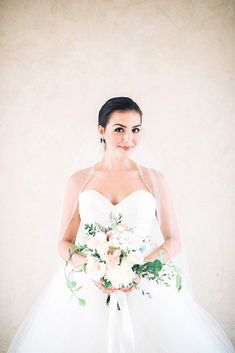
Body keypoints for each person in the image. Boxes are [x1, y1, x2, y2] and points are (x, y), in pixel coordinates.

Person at [6, 97, 235, 353]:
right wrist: (96, 270)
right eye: (119, 129)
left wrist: (137, 269)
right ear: (101, 131)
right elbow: (63, 243)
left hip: (144, 285)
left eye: (135, 130)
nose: (129, 138)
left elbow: (174, 240)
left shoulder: (155, 180)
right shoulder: (79, 180)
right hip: (89, 287)